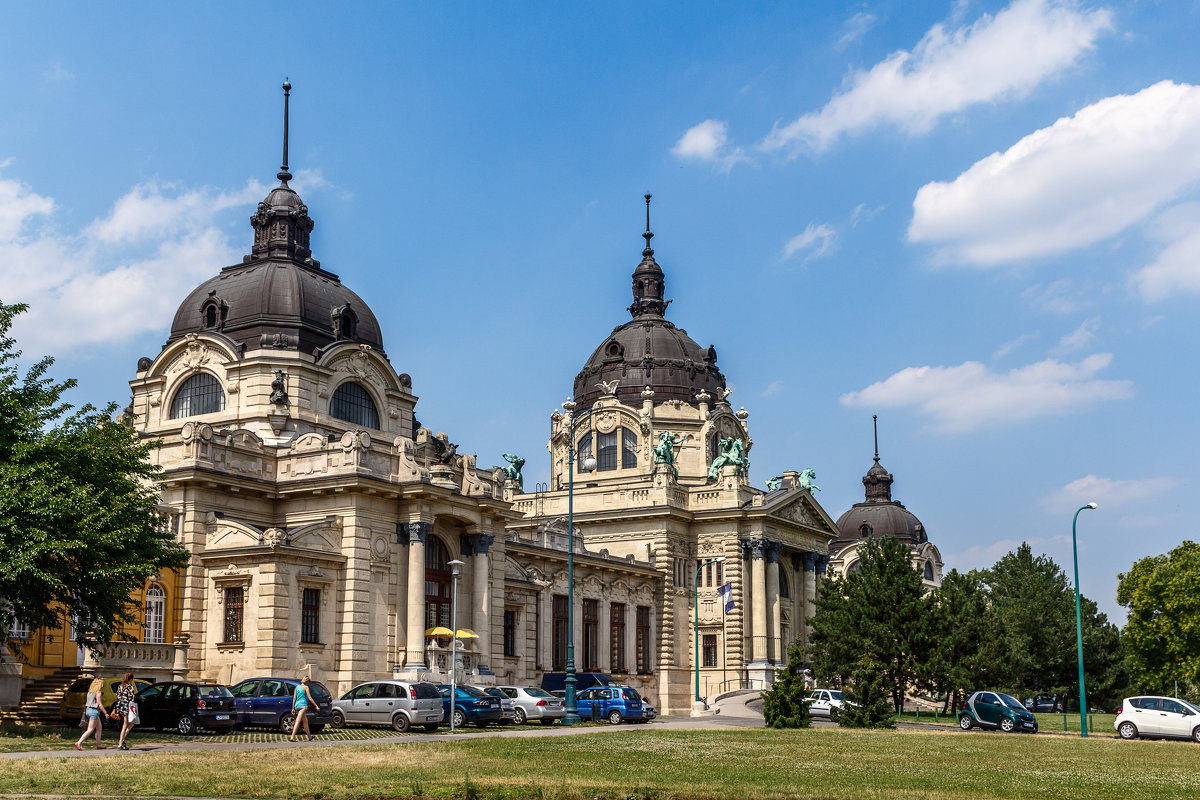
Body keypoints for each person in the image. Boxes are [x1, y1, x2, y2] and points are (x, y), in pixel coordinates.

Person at [74, 677, 108, 751]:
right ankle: (79, 742)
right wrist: (106, 713)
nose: (103, 686)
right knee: (90, 729)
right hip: (94, 711)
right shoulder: (98, 692)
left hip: (88, 710)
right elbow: (99, 704)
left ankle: (99, 745)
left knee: (99, 728)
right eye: (102, 684)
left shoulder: (90, 692)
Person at [113, 673, 138, 750]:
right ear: (130, 679)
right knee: (128, 724)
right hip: (127, 706)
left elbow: (118, 696)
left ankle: (122, 740)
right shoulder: (129, 687)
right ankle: (121, 742)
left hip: (120, 706)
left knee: (126, 724)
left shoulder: (120, 686)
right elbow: (131, 698)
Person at [290, 676, 316, 742]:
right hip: (303, 705)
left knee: (305, 721)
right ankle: (292, 737)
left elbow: (294, 698)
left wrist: (293, 708)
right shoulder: (306, 687)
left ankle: (309, 737)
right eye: (308, 682)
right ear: (307, 681)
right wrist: (316, 705)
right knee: (298, 721)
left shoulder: (297, 687)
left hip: (297, 705)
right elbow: (310, 698)